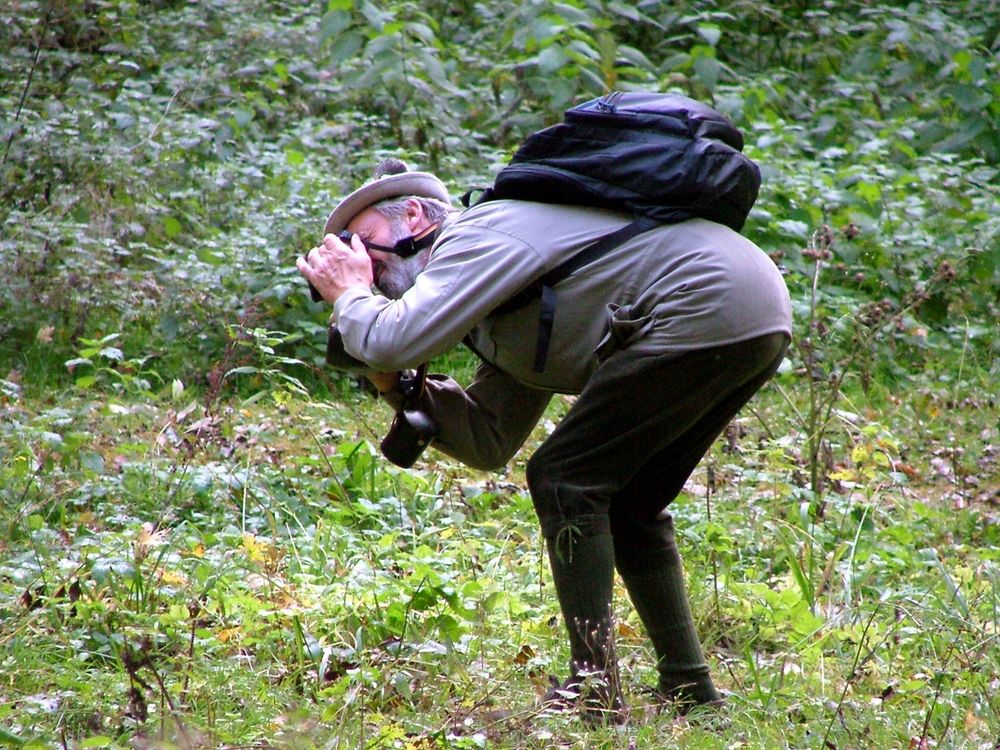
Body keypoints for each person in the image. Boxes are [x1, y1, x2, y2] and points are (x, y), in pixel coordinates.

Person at [297, 158, 792, 723]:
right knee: (629, 502)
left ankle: (593, 691)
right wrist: (396, 387)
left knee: (565, 478)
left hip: (704, 300)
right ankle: (692, 693)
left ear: (413, 214)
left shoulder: (478, 236)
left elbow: (391, 340)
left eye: (362, 242)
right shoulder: (496, 291)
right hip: (748, 309)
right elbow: (488, 437)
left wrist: (350, 297)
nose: (360, 262)